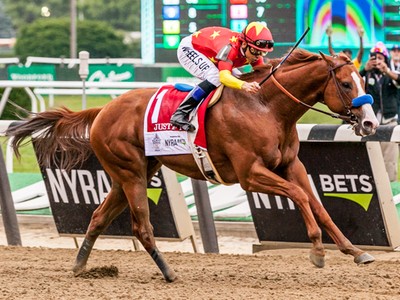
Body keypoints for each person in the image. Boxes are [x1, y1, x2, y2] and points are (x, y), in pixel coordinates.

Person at [170, 22, 274, 132]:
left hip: (213, 53)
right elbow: (223, 77)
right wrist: (244, 85)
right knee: (215, 77)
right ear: (244, 44)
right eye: (255, 51)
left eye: (262, 53)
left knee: (238, 78)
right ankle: (180, 113)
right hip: (190, 48)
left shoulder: (252, 49)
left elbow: (262, 72)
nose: (257, 56)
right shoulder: (230, 49)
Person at [359, 42, 400, 182]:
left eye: (380, 58)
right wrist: (364, 69)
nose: (377, 61)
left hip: (390, 121)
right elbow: (352, 84)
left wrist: (387, 70)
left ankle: (391, 191)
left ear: (386, 59)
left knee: (389, 161)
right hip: (371, 123)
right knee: (370, 161)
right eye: (374, 58)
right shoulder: (365, 75)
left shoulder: (391, 74)